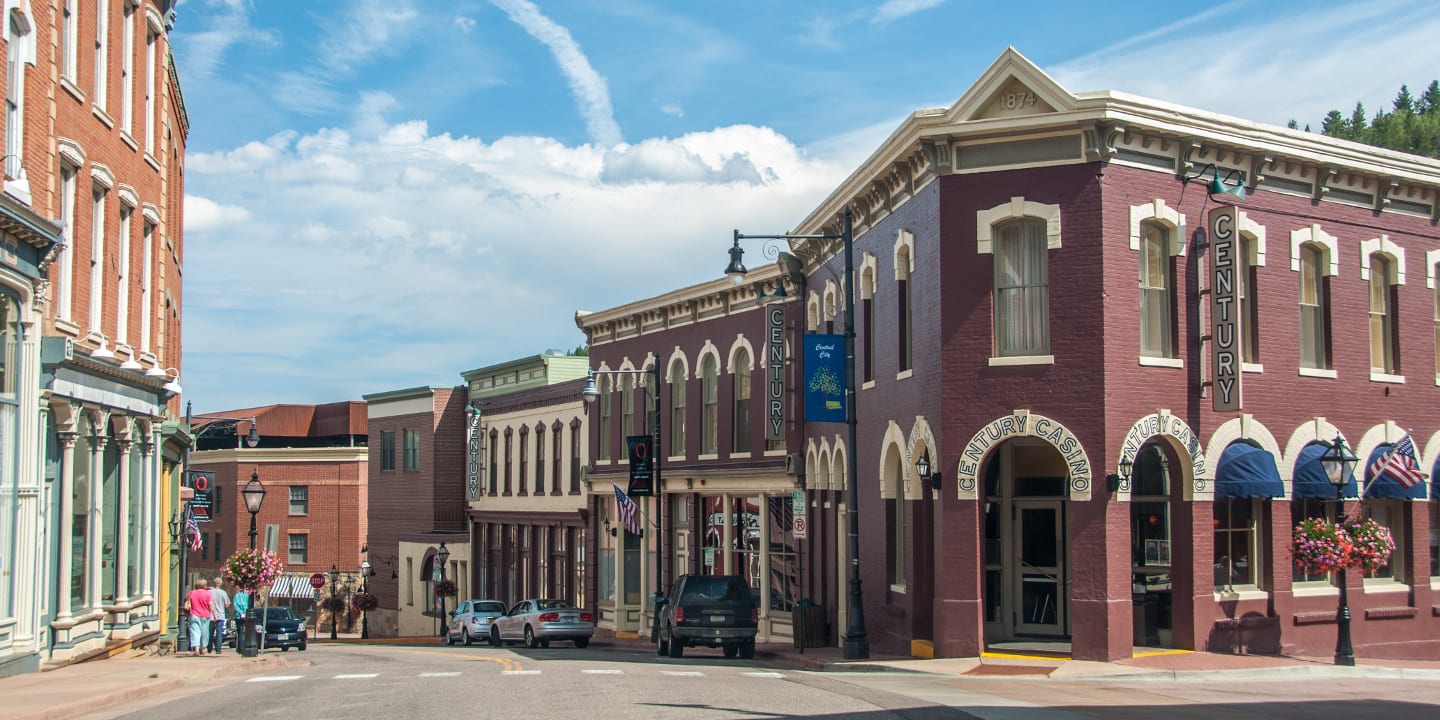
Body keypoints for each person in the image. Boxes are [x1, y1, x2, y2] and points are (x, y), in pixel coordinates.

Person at [184, 578, 214, 656]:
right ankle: (203, 648)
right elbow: (210, 605)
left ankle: (196, 649)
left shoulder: (191, 593)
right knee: (204, 632)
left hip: (194, 614)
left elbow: (187, 602)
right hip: (205, 615)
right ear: (205, 585)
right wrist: (215, 614)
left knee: (195, 632)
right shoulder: (207, 593)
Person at [209, 577, 232, 654]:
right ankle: (218, 648)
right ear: (220, 583)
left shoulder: (210, 592)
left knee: (210, 632)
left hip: (211, 615)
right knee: (219, 632)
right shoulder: (223, 593)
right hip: (220, 615)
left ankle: (209, 647)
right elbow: (227, 604)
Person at [233, 586, 251, 652]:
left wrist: (240, 612)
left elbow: (235, 606)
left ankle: (240, 647)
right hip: (246, 615)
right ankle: (246, 645)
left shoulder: (236, 596)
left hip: (239, 616)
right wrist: (244, 612)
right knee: (247, 631)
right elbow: (249, 605)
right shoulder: (247, 595)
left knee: (240, 632)